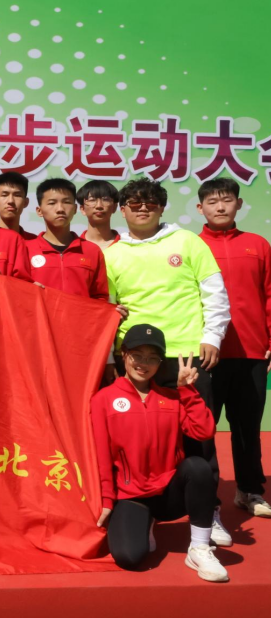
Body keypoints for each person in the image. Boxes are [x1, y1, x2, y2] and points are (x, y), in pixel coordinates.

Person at [105, 177, 232, 544]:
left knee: (199, 440)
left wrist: (212, 338)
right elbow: (107, 309)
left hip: (187, 355)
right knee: (142, 438)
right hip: (137, 360)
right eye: (135, 203)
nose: (143, 208)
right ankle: (146, 509)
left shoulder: (187, 241)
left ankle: (209, 512)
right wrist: (114, 356)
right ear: (123, 210)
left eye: (151, 203)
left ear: (162, 208)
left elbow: (214, 292)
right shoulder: (112, 254)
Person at [91, 324, 227, 582]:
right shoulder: (102, 400)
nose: (144, 364)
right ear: (124, 354)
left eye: (152, 358)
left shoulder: (172, 398)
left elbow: (204, 431)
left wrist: (188, 391)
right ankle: (144, 521)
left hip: (168, 494)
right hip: (132, 496)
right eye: (137, 355)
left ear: (160, 363)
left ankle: (199, 547)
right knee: (129, 557)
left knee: (198, 466)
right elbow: (101, 456)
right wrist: (107, 500)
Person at [197, 177, 271, 517]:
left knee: (247, 427)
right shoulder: (192, 246)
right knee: (203, 429)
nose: (220, 207)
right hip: (205, 354)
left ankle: (249, 490)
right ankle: (204, 498)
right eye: (212, 202)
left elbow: (269, 294)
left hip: (252, 352)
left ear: (239, 204)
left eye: (227, 200)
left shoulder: (258, 244)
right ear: (200, 208)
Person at [25, 178, 108, 299]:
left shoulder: (92, 251)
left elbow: (101, 298)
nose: (60, 209)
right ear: (39, 211)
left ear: (75, 209)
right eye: (52, 203)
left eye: (66, 202)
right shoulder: (25, 249)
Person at [77, 180, 121, 251]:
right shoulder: (74, 248)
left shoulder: (125, 246)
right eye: (92, 200)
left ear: (114, 207)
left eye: (105, 199)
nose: (99, 206)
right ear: (82, 209)